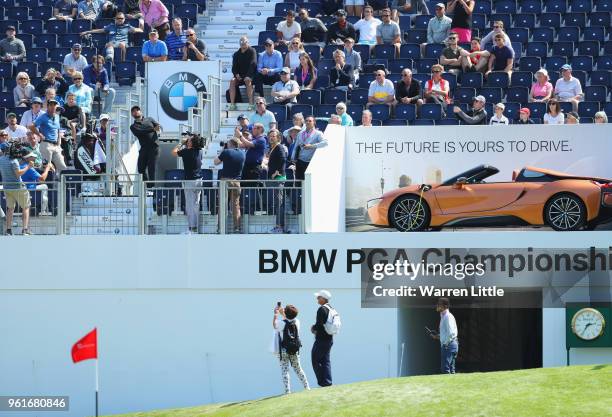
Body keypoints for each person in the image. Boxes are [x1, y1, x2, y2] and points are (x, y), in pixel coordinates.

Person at [273, 303, 310, 394]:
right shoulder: (297, 322)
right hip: (294, 349)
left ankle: (287, 391)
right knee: (298, 369)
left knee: (285, 370)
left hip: (284, 350)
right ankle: (307, 387)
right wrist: (284, 313)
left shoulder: (281, 323)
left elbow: (275, 325)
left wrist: (276, 314)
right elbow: (289, 319)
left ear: (285, 312)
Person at [172, 134, 204, 234]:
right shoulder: (200, 151)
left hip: (190, 181)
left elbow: (173, 152)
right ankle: (195, 226)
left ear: (192, 143)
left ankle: (192, 227)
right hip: (199, 180)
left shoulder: (186, 151)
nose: (187, 141)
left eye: (189, 140)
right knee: (196, 203)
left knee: (189, 205)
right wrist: (188, 142)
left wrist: (181, 143)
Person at [0, 144, 34, 235]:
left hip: (7, 187)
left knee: (10, 209)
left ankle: (8, 230)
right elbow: (18, 173)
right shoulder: (14, 160)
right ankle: (25, 230)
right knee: (26, 207)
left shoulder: (1, 159)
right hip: (18, 187)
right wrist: (28, 166)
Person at [214, 137, 245, 233]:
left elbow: (216, 162)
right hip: (237, 182)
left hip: (225, 181)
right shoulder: (242, 153)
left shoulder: (226, 152)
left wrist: (224, 149)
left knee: (222, 205)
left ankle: (220, 228)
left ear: (230, 144)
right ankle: (237, 228)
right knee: (236, 205)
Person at [30, 99, 68, 172]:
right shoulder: (43, 116)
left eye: (54, 105)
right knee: (46, 168)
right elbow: (31, 126)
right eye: (51, 105)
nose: (53, 106)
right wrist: (39, 134)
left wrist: (59, 141)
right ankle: (44, 183)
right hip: (46, 144)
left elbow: (58, 130)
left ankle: (61, 183)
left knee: (63, 167)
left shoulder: (57, 116)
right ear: (47, 106)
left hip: (56, 145)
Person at [129, 105, 161, 183]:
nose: (136, 112)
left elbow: (159, 126)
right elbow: (140, 132)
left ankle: (152, 187)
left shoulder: (150, 119)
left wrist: (158, 128)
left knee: (151, 167)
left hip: (154, 147)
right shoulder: (133, 126)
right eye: (133, 111)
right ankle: (147, 186)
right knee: (140, 168)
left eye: (137, 110)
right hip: (144, 148)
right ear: (132, 114)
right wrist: (153, 129)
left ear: (141, 111)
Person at [311, 290, 334, 387]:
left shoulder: (322, 309)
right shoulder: (331, 309)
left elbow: (319, 325)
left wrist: (313, 328)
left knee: (315, 360)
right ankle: (328, 382)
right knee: (325, 361)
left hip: (321, 339)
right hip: (329, 339)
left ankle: (322, 382)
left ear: (323, 299)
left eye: (319, 297)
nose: (317, 298)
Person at [429, 298, 458, 374]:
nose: (437, 305)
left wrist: (446, 344)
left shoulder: (447, 317)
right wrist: (437, 336)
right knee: (450, 370)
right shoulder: (443, 316)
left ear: (445, 306)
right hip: (450, 344)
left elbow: (451, 333)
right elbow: (447, 334)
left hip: (449, 345)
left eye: (439, 304)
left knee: (446, 370)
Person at [267, 129, 288, 233]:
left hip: (278, 179)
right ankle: (278, 226)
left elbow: (283, 160)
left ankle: (280, 227)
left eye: (273, 136)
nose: (271, 138)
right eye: (270, 136)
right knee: (277, 203)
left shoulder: (279, 147)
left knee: (279, 203)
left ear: (278, 137)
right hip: (274, 179)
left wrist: (277, 172)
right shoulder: (273, 148)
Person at [229, 37, 257, 110]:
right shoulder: (236, 54)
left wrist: (248, 75)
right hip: (240, 76)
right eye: (242, 43)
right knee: (232, 81)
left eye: (245, 43)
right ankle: (232, 104)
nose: (243, 44)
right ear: (240, 44)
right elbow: (234, 67)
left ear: (248, 43)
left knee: (247, 80)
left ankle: (251, 104)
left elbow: (253, 63)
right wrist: (236, 74)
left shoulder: (252, 51)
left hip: (250, 75)